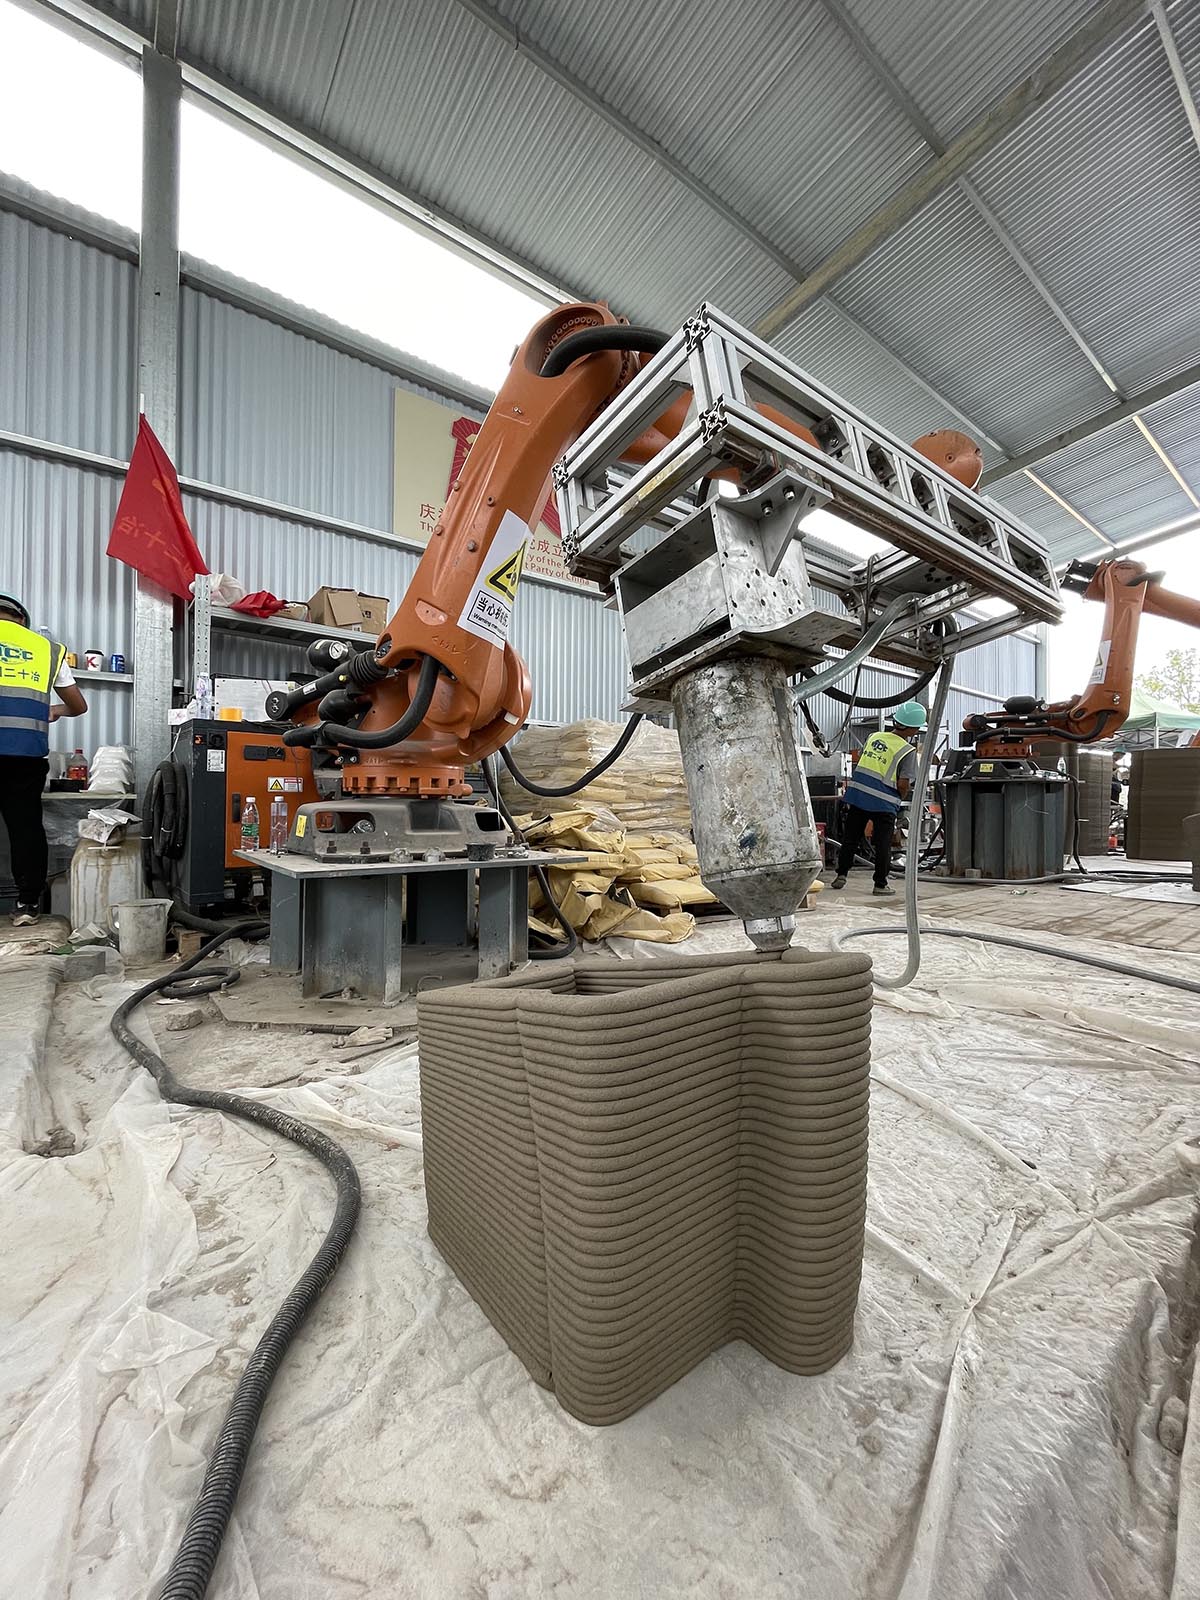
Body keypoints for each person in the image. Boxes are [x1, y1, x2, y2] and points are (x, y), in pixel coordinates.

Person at [0, 592, 87, 925]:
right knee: (25, 829)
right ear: (22, 619)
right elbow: (78, 705)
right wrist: (57, 710)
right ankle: (27, 906)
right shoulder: (45, 649)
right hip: (24, 754)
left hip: (23, 755)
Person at [831, 701, 927, 897]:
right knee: (883, 843)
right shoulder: (907, 751)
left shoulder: (873, 736)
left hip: (858, 796)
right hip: (884, 802)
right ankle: (880, 884)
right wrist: (900, 797)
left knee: (850, 838)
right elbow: (903, 783)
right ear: (912, 728)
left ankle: (841, 874)